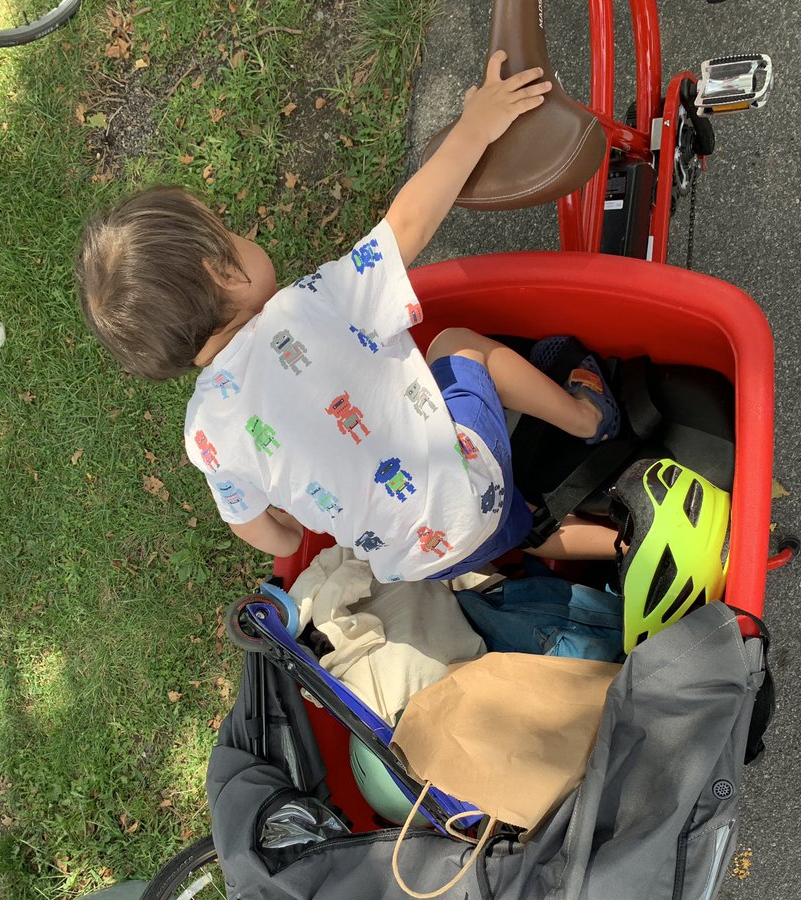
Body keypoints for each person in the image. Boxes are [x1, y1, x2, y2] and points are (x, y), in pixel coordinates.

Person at [76, 51, 620, 583]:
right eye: (230, 234)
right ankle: (588, 419)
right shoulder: (309, 304)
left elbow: (259, 529)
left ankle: (620, 543)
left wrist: (290, 538)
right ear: (222, 271)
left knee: (507, 525)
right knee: (454, 346)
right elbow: (407, 224)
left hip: (418, 563)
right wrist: (476, 127)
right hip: (469, 484)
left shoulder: (204, 434)